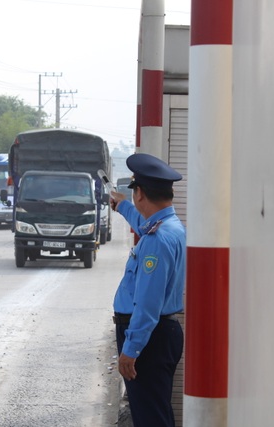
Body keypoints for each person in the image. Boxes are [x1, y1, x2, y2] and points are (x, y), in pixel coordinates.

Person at [110, 153, 186, 427]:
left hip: (148, 339)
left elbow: (148, 303)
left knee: (150, 419)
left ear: (139, 193)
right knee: (157, 413)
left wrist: (131, 350)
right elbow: (144, 225)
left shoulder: (156, 240)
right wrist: (122, 206)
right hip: (160, 335)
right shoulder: (170, 227)